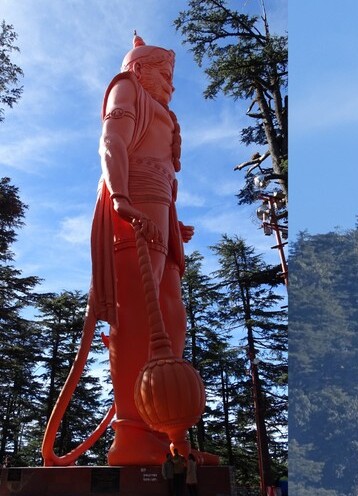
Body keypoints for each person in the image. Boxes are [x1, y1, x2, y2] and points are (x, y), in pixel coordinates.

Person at [91, 32, 194, 465]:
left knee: (172, 314)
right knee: (136, 313)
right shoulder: (126, 88)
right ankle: (132, 432)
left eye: (173, 77)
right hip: (131, 207)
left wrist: (174, 220)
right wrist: (121, 198)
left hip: (160, 213)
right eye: (163, 74)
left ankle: (165, 428)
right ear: (138, 69)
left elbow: (165, 176)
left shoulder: (166, 115)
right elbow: (111, 142)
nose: (171, 84)